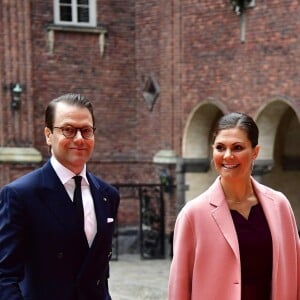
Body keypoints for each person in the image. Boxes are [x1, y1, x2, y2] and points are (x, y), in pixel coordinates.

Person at [168, 112, 300, 300]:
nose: (228, 156)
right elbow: (179, 289)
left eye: (237, 147)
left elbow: (296, 272)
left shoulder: (280, 206)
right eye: (220, 147)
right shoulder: (193, 214)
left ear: (255, 152)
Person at [0, 93, 120, 300]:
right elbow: (4, 275)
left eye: (86, 131)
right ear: (48, 135)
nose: (79, 139)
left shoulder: (108, 195)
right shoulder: (20, 195)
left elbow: (100, 272)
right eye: (68, 130)